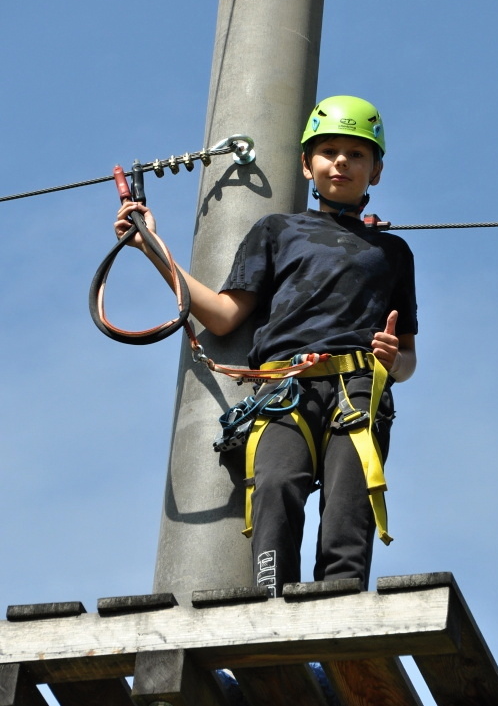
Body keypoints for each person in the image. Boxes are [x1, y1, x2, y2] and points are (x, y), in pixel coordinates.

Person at [115, 95, 417, 596]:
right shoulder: (277, 230)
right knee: (276, 484)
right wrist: (150, 246)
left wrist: (393, 359)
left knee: (350, 503)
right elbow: (223, 314)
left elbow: (406, 358)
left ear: (376, 171)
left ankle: (338, 607)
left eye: (357, 154)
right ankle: (271, 598)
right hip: (285, 388)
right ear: (307, 164)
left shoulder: (392, 252)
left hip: (358, 388)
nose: (341, 162)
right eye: (329, 152)